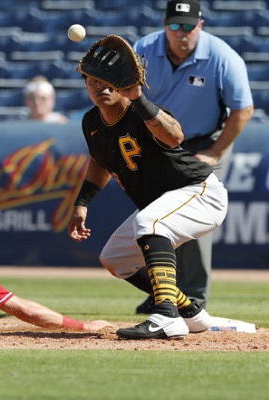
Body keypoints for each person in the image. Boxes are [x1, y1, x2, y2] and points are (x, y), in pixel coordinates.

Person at [68, 36, 228, 339]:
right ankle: (189, 311)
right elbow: (100, 161)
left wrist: (139, 98)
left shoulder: (140, 111)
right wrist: (82, 201)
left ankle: (166, 316)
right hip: (167, 200)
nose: (99, 86)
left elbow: (175, 137)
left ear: (120, 82)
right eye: (92, 80)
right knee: (115, 257)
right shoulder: (91, 121)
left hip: (199, 192)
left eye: (106, 80)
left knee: (149, 224)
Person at [131, 0, 254, 313]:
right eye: (175, 25)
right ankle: (164, 292)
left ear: (200, 25)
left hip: (205, 142)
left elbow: (243, 109)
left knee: (193, 215)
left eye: (188, 26)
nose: (180, 32)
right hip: (159, 143)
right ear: (164, 24)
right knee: (156, 219)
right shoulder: (143, 49)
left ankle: (194, 297)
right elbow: (123, 94)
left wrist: (214, 151)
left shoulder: (222, 57)